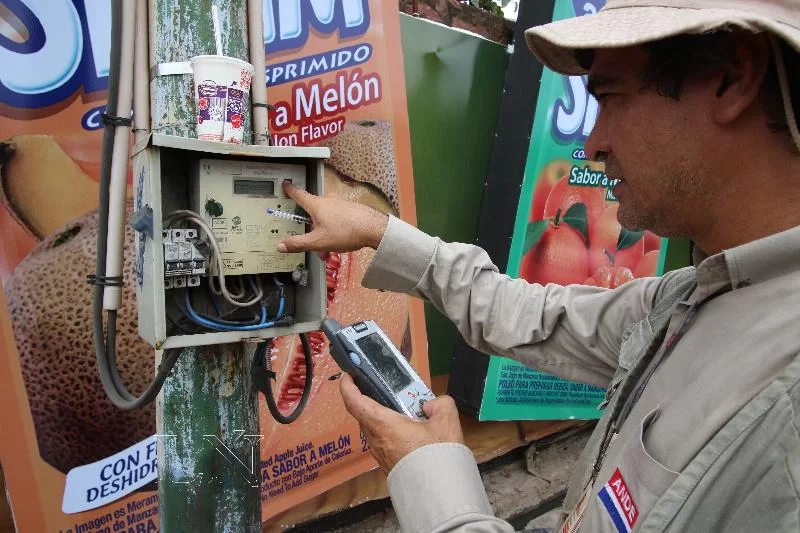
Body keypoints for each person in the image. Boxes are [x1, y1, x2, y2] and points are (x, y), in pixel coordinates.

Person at [278, 1, 800, 531]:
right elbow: (534, 315)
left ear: (732, 79)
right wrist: (374, 230)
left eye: (611, 96)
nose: (593, 144)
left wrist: (430, 479)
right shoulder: (695, 297)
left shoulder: (787, 413)